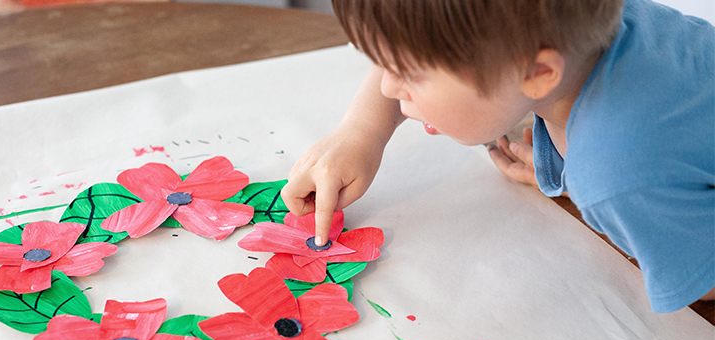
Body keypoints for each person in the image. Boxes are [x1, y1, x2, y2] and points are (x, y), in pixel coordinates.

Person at [281, 0, 714, 313]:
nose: (388, 89)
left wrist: (591, 188)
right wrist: (362, 130)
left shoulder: (618, 177)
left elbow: (703, 278)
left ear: (538, 74)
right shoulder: (597, 21)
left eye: (410, 74)